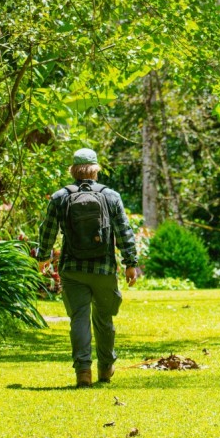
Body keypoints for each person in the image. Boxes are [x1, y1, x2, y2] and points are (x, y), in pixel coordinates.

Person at [35, 148, 138, 388]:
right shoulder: (111, 196)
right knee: (104, 319)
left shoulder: (60, 197)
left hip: (72, 268)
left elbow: (47, 230)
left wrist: (43, 257)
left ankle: (83, 371)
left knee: (79, 319)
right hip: (103, 269)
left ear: (73, 170)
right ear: (95, 170)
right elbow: (124, 232)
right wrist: (130, 263)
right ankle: (105, 367)